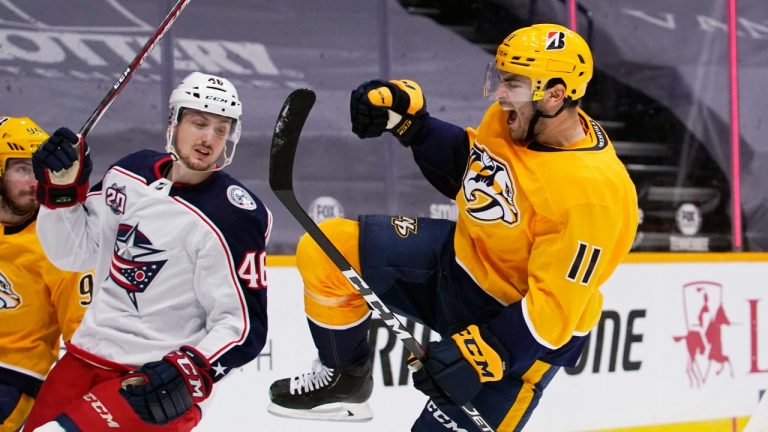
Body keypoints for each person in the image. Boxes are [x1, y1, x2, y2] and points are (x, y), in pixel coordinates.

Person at [267, 23, 638, 431]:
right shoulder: (516, 117)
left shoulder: (594, 193)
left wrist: (482, 354)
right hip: (455, 267)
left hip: (517, 334)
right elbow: (476, 174)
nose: (499, 94)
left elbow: (554, 309)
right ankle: (345, 379)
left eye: (513, 83)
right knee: (328, 249)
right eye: (501, 79)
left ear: (555, 94)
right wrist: (414, 127)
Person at [24, 72, 272, 432]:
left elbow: (242, 325)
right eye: (199, 123)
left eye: (221, 129)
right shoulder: (130, 172)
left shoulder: (234, 216)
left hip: (150, 385)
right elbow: (73, 254)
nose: (209, 139)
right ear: (174, 123)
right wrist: (61, 192)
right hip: (84, 358)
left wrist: (188, 370)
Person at [0, 117, 91, 432]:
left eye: (38, 170)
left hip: (10, 379)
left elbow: (85, 344)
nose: (35, 181)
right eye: (23, 169)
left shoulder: (62, 247)